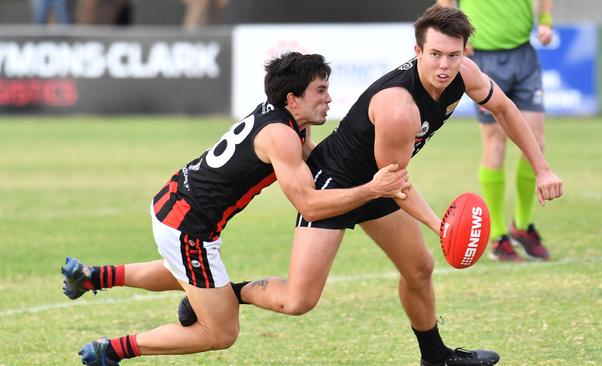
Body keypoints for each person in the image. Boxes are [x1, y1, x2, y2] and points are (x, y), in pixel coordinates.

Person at [179, 4, 563, 366]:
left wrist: (542, 168)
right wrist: (441, 226)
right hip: (335, 183)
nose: (445, 65)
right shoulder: (398, 107)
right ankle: (224, 295)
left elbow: (505, 109)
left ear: (466, 51)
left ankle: (435, 356)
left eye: (454, 55)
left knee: (419, 268)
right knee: (299, 300)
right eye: (435, 55)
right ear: (418, 50)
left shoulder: (466, 73)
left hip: (379, 181)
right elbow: (395, 183)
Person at [60, 52, 410, 365]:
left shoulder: (282, 119)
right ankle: (111, 351)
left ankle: (93, 276)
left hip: (173, 204)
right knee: (220, 332)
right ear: (293, 97)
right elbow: (310, 205)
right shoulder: (282, 135)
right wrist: (372, 189)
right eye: (320, 90)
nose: (329, 97)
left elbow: (315, 163)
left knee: (188, 274)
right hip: (188, 227)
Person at [438, 0, 554, 262]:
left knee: (536, 142)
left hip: (524, 54)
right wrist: (458, 35)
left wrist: (545, 22)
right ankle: (499, 236)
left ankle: (522, 225)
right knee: (495, 144)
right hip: (485, 57)